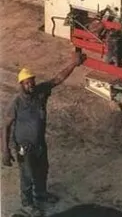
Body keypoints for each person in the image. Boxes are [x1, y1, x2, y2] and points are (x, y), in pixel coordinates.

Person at [2, 51, 86, 217]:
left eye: (32, 81)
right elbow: (5, 126)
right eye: (27, 83)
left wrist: (73, 64)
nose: (31, 85)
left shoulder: (40, 92)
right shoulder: (16, 103)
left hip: (40, 144)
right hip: (24, 147)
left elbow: (57, 79)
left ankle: (40, 194)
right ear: (21, 85)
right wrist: (5, 150)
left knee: (42, 170)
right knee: (27, 175)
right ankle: (27, 204)